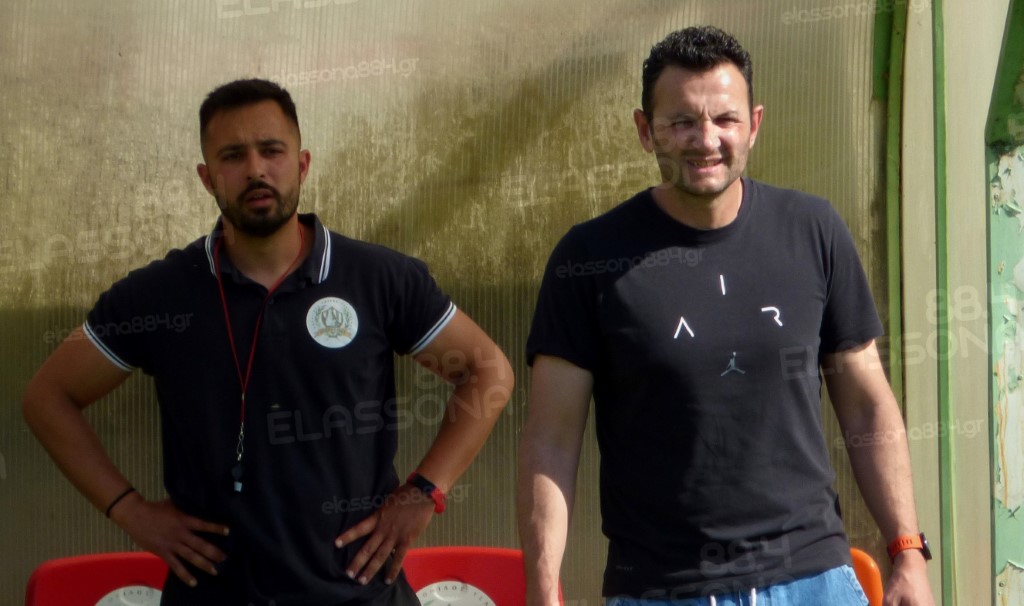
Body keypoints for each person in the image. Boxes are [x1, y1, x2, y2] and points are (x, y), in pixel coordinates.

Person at [22, 78, 513, 605]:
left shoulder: (378, 279)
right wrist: (129, 509)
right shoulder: (157, 296)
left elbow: (488, 371)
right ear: (207, 178)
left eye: (271, 150)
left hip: (360, 594)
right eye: (233, 156)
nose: (256, 170)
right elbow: (47, 397)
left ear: (301, 165)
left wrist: (425, 490)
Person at [518, 26, 935, 605]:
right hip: (662, 590)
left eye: (725, 119)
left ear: (754, 125)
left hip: (814, 581)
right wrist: (542, 590)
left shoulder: (813, 231)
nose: (706, 139)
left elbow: (867, 403)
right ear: (645, 130)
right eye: (682, 122)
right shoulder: (588, 259)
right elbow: (551, 440)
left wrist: (907, 551)